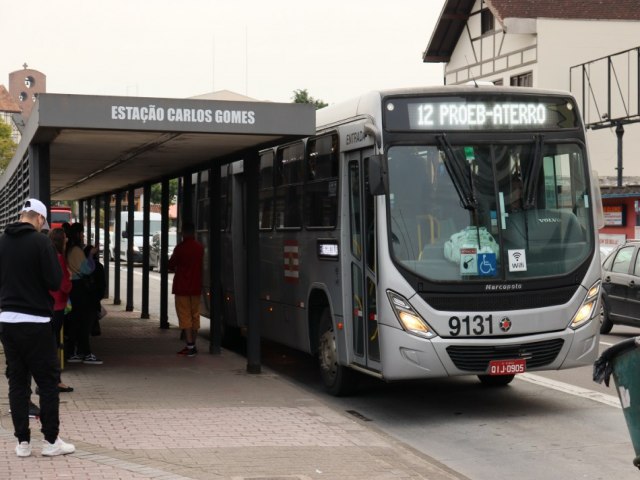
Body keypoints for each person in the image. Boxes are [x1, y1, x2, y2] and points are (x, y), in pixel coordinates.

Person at [0, 198, 75, 457]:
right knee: (47, 381)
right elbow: (55, 281)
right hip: (37, 322)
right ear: (40, 219)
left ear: (22, 214)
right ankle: (51, 442)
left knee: (17, 382)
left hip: (7, 321)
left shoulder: (2, 241)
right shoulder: (42, 242)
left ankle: (22, 443)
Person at [65, 223, 102, 365]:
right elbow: (87, 270)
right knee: (84, 322)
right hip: (79, 288)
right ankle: (84, 352)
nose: (84, 235)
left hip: (72, 288)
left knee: (74, 321)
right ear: (78, 234)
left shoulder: (68, 249)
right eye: (82, 233)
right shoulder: (77, 250)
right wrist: (91, 255)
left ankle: (73, 352)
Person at [168, 221, 204, 357]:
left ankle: (190, 346)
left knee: (184, 316)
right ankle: (193, 344)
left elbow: (171, 265)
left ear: (183, 233)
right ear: (194, 232)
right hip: (195, 287)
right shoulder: (200, 248)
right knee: (195, 315)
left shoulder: (180, 248)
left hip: (182, 287)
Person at [48, 228, 74, 392]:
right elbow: (64, 285)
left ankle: (50, 380)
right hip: (57, 305)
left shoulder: (48, 256)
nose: (67, 241)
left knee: (49, 343)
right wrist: (71, 281)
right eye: (65, 238)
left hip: (47, 304)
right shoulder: (60, 258)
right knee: (54, 344)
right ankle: (54, 381)